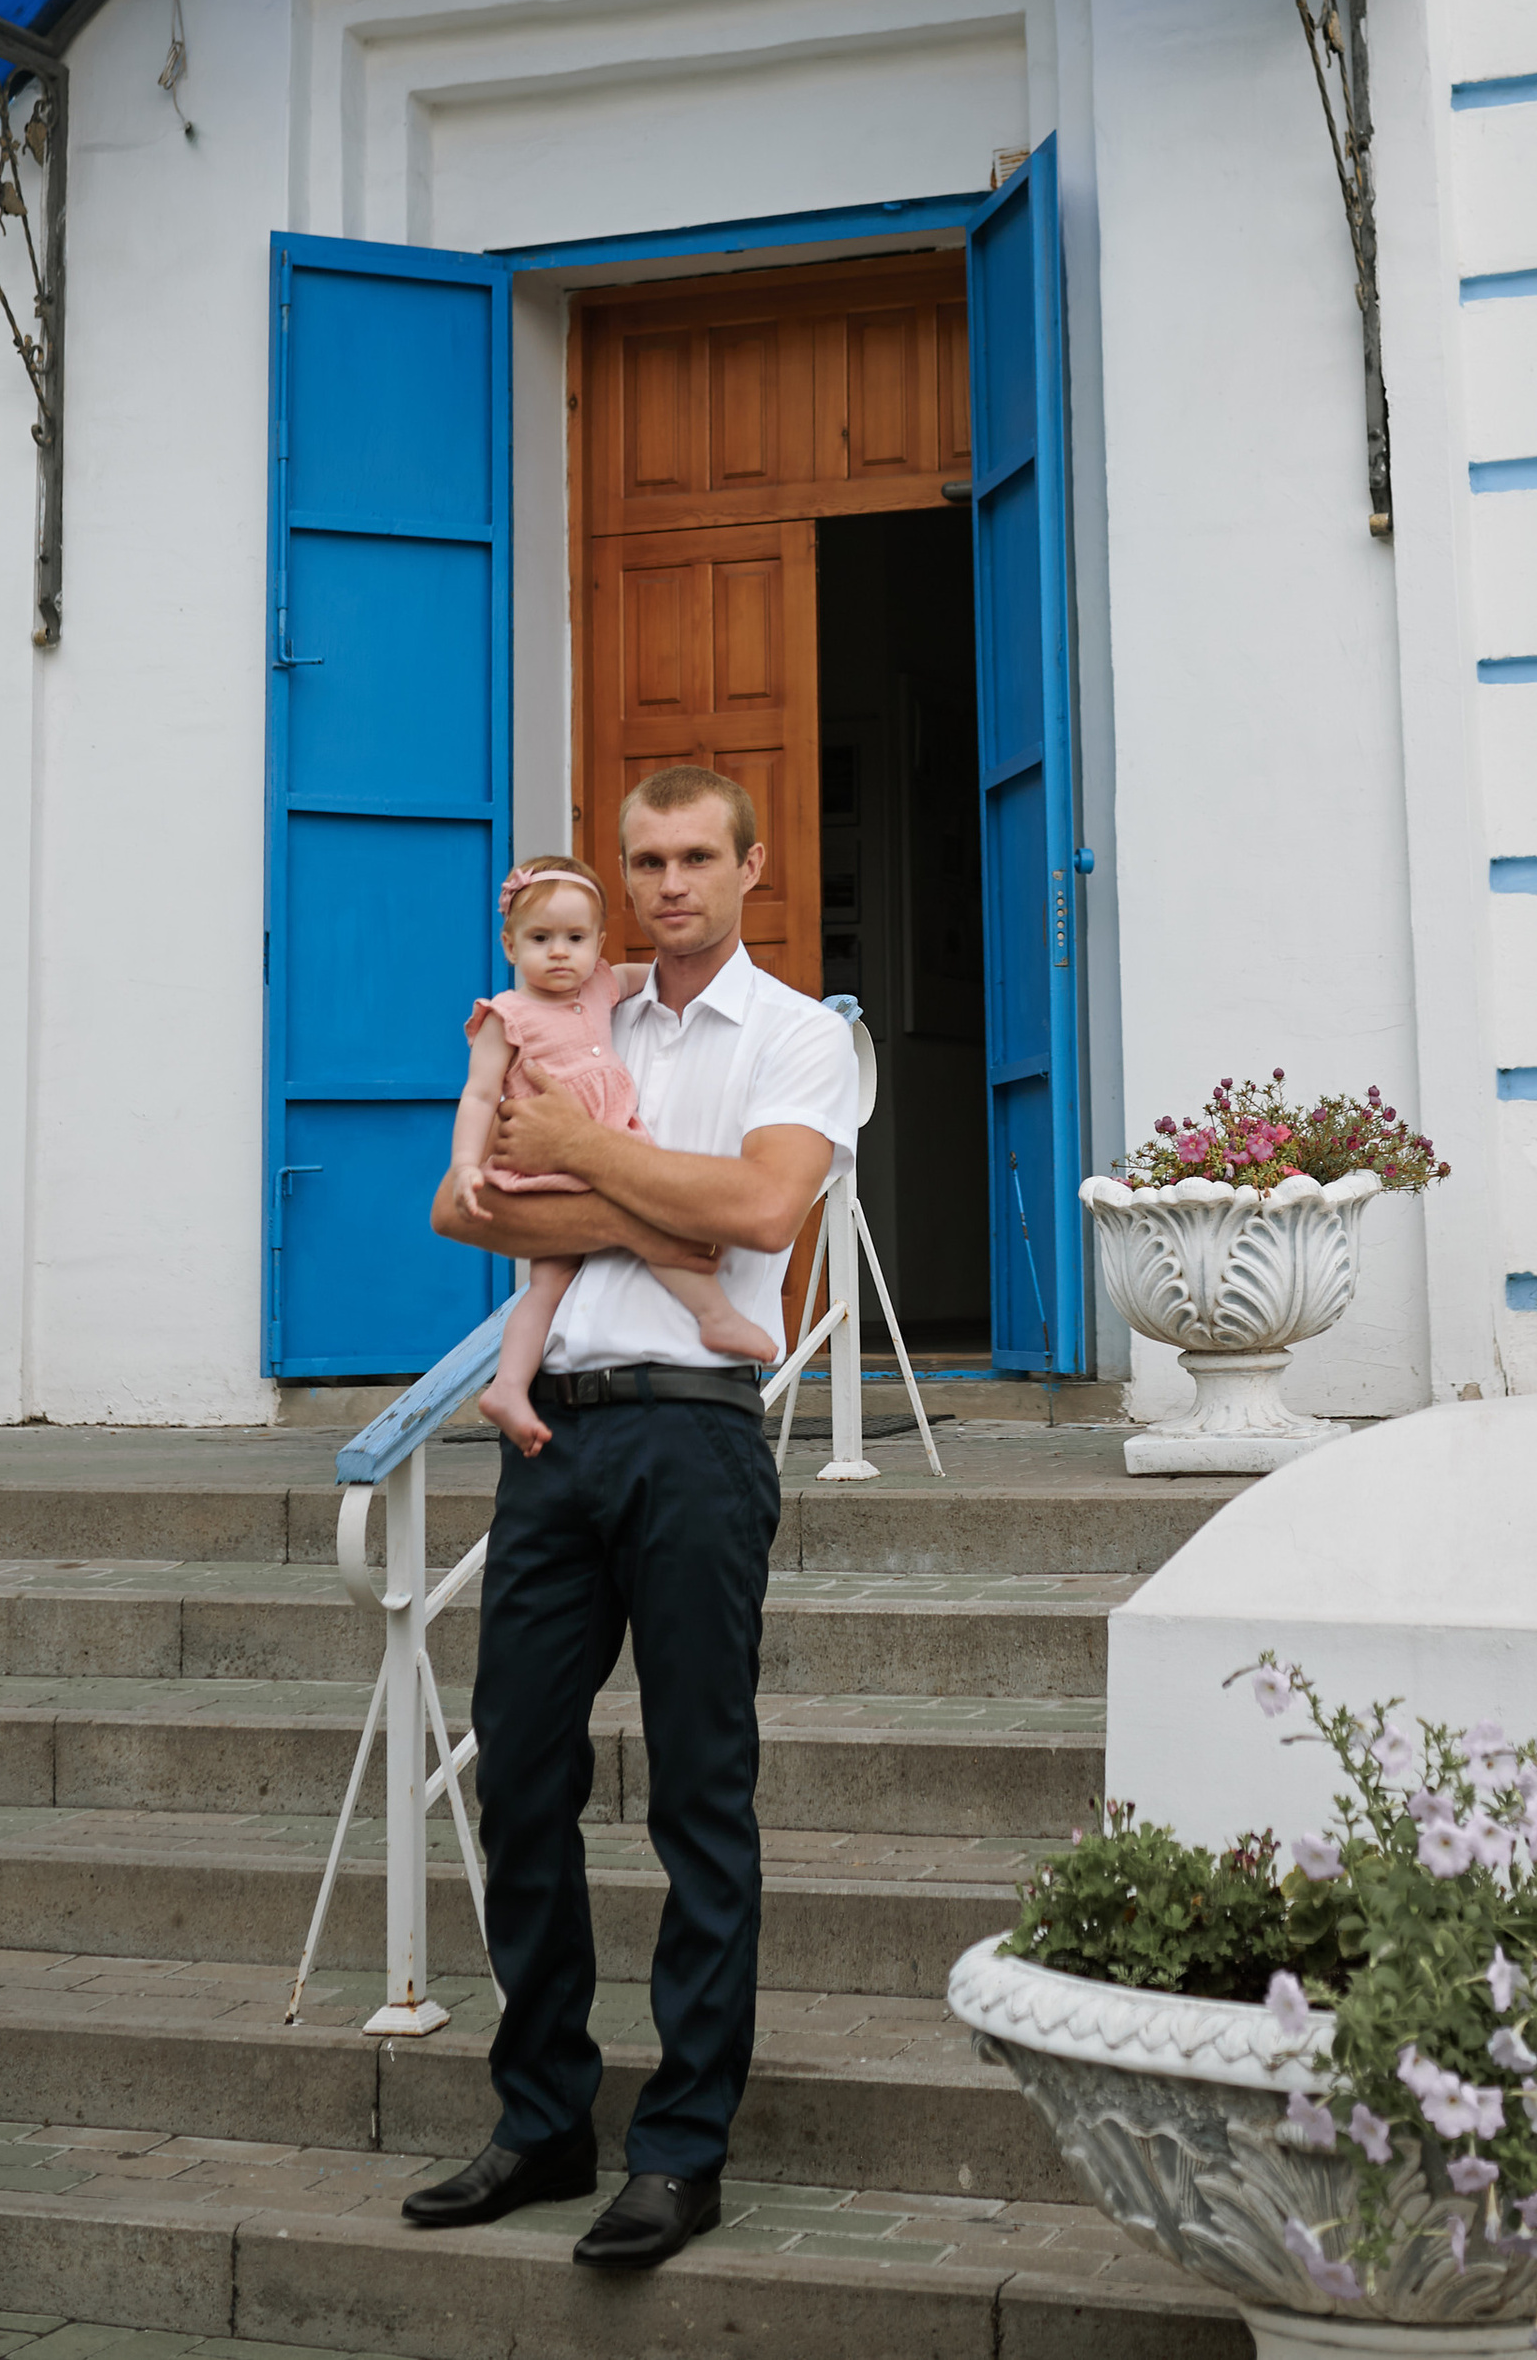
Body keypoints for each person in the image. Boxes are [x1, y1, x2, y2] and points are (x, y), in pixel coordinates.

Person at [402, 766, 859, 2274]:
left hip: (696, 1435)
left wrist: (592, 1162)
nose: (669, 883)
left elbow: (765, 1213)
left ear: (749, 862)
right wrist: (663, 1194)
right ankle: (542, 2118)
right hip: (556, 1435)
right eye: (645, 859)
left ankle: (680, 2147)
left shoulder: (797, 1034)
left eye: (695, 857)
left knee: (698, 1796)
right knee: (517, 1775)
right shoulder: (566, 1007)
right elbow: (467, 1208)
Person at [452, 851, 780, 1456]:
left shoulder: (602, 985)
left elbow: (647, 978)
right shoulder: (508, 1015)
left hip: (606, 1143)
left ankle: (514, 1384)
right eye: (540, 938)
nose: (559, 952)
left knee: (577, 1264)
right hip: (548, 1160)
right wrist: (468, 1165)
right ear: (509, 944)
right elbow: (477, 1096)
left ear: (597, 944)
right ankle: (710, 1318)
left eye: (575, 938)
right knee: (591, 1257)